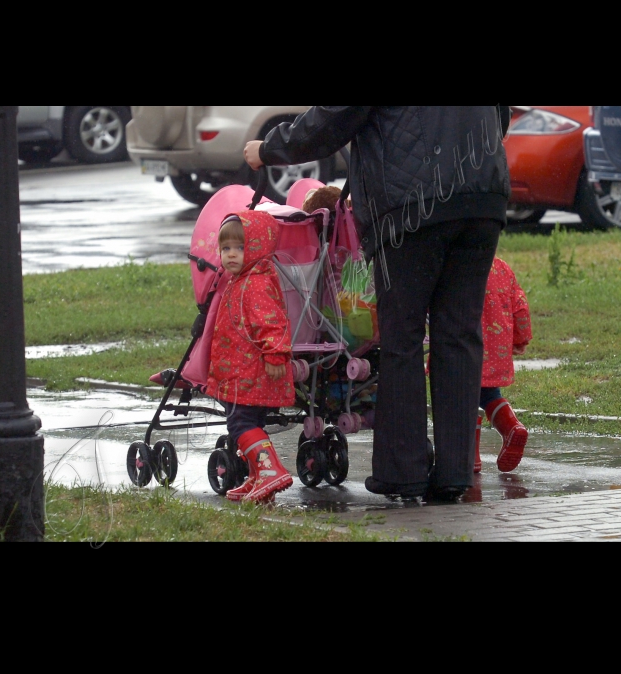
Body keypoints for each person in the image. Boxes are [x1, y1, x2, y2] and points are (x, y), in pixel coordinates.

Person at [245, 106, 512, 503]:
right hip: (482, 196)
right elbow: (500, 116)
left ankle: (403, 473)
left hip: (409, 205)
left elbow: (331, 120)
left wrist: (268, 148)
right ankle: (454, 473)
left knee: (402, 337)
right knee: (459, 334)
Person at [206, 209, 295, 503]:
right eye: (226, 248)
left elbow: (271, 321)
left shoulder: (254, 283)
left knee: (240, 424)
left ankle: (270, 473)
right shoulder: (243, 279)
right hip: (243, 372)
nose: (231, 254)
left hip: (248, 373)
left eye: (241, 248)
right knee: (250, 423)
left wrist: (276, 353)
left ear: (258, 247)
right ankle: (259, 477)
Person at [474, 255, 532, 474]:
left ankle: (469, 458)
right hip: (496, 350)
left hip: (462, 348)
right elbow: (520, 306)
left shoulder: (457, 265)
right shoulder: (502, 269)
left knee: (462, 397)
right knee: (489, 395)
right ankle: (511, 427)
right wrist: (520, 337)